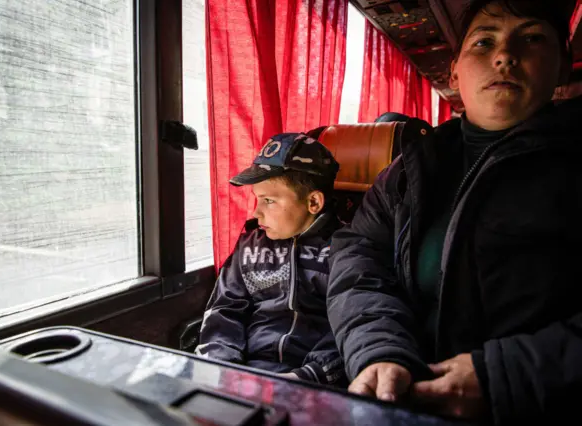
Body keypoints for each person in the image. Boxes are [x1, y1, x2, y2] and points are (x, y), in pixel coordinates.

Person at [327, 0, 582, 422]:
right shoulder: (409, 168)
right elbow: (358, 258)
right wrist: (379, 351)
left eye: (533, 37)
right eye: (484, 41)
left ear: (561, 67)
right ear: (455, 73)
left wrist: (508, 376)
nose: (504, 55)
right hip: (407, 399)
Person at [196, 132, 346, 387]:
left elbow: (352, 324)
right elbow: (225, 311)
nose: (256, 211)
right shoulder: (250, 245)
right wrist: (222, 370)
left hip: (317, 378)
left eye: (269, 201)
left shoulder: (347, 248)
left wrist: (309, 376)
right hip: (247, 372)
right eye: (257, 199)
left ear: (313, 202)